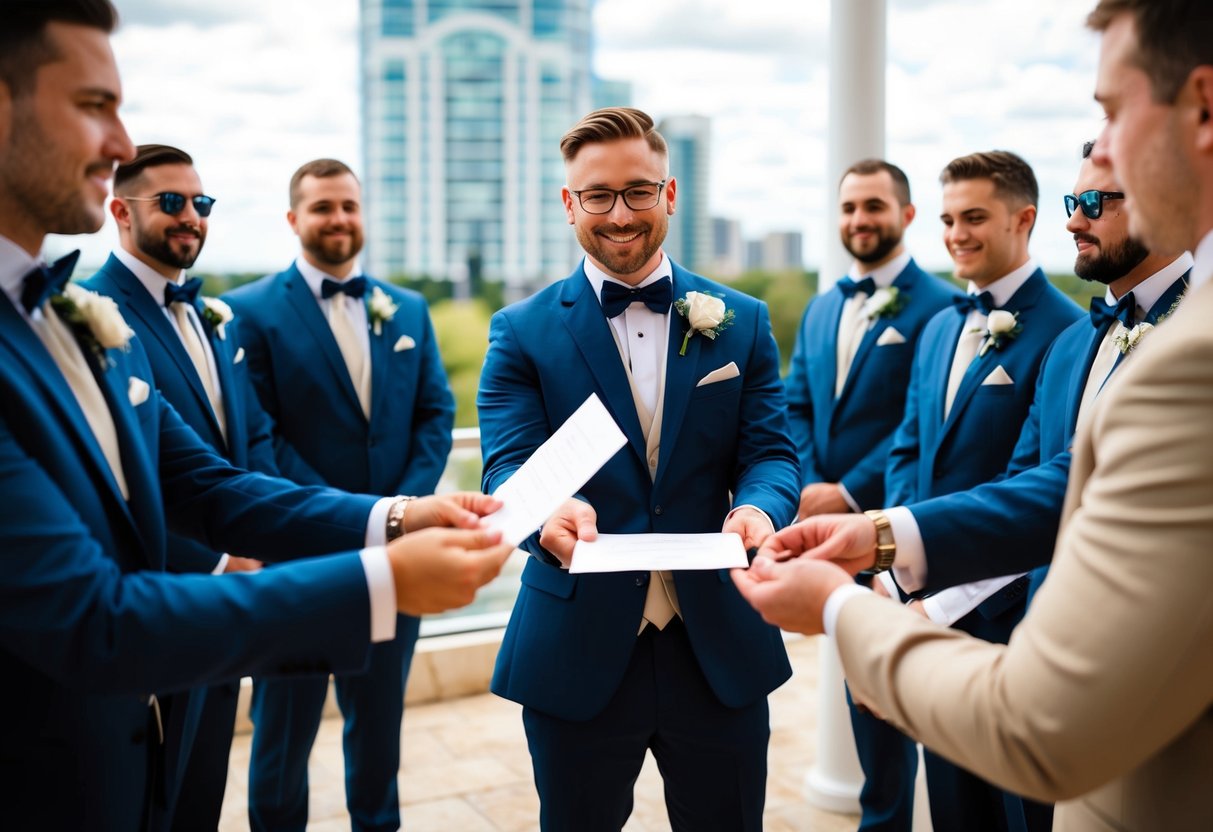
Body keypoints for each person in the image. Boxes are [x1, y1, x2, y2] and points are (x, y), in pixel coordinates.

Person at [0, 4, 512, 830]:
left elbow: (212, 485)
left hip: (133, 755)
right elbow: (92, 620)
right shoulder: (100, 311)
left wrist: (400, 514)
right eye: (95, 105)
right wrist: (380, 576)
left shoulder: (68, 319)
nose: (123, 144)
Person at [733, 2, 1213, 828]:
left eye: (1108, 114)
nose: (1099, 163)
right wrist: (881, 536)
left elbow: (1044, 728)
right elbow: (1056, 483)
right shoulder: (1073, 339)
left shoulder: (1178, 348)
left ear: (1200, 106)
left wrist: (841, 609)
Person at [477, 107, 799, 831]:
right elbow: (505, 465)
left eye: (637, 191)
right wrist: (543, 518)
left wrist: (762, 509)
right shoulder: (520, 330)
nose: (619, 214)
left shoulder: (740, 321)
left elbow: (770, 453)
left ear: (670, 194)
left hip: (716, 639)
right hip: (576, 647)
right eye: (597, 195)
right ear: (569, 204)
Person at [225, 158, 455, 832]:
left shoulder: (407, 307)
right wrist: (351, 522)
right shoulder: (248, 311)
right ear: (294, 220)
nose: (339, 219)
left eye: (349, 206)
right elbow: (260, 440)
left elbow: (434, 418)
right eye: (323, 207)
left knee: (379, 732)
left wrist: (402, 514)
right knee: (282, 736)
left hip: (398, 560)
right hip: (301, 563)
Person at [875, 150, 1082, 831]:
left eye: (973, 218)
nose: (955, 234)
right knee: (953, 810)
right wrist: (902, 575)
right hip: (928, 604)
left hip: (1009, 619)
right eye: (946, 220)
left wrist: (941, 592)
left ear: (1023, 220)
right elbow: (909, 448)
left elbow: (1035, 483)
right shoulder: (937, 327)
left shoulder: (1067, 331)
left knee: (1021, 813)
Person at [81, 143, 284, 830]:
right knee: (147, 802)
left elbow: (248, 443)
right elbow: (112, 481)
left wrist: (265, 539)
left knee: (201, 790)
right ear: (119, 211)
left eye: (201, 203)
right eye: (171, 202)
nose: (190, 216)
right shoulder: (89, 316)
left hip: (230, 603)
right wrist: (221, 563)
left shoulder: (211, 316)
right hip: (162, 597)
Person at [783, 158, 961, 831]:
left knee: (901, 681)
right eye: (849, 207)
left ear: (906, 215)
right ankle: (881, 820)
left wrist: (850, 493)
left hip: (893, 521)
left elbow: (920, 422)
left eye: (873, 207)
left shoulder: (942, 305)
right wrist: (806, 486)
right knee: (862, 686)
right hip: (823, 523)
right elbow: (795, 399)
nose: (859, 220)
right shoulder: (823, 304)